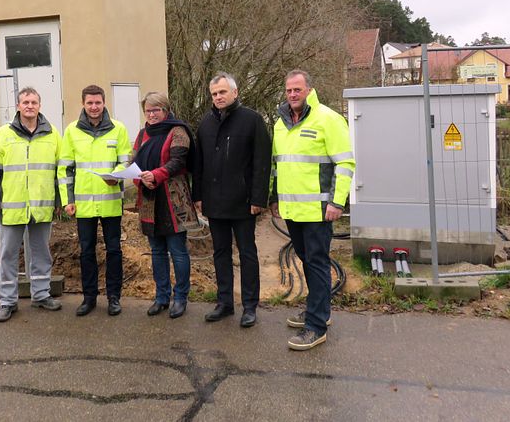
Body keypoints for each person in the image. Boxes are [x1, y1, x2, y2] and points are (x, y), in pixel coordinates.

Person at [269, 69, 355, 350]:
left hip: (319, 210)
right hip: (293, 210)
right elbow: (278, 165)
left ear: (309, 90)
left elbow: (344, 164)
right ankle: (318, 311)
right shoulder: (281, 123)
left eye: (298, 89)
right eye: (288, 90)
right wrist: (275, 199)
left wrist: (336, 202)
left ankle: (316, 326)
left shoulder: (328, 119)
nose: (293, 94)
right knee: (307, 261)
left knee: (317, 263)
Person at [193, 72, 272, 328]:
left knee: (247, 253)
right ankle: (224, 303)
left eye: (223, 92)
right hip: (214, 202)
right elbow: (199, 164)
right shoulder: (205, 123)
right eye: (214, 93)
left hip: (244, 202)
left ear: (235, 93)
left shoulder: (252, 121)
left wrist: (259, 197)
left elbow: (262, 162)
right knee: (220, 253)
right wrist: (198, 196)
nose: (218, 97)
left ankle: (250, 306)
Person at [0, 87, 63, 322]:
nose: (30, 106)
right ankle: (7, 302)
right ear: (18, 106)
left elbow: (60, 171)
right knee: (8, 255)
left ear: (40, 105)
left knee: (41, 253)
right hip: (11, 207)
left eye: (34, 102)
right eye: (25, 102)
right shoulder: (3, 134)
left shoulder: (52, 134)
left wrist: (60, 201)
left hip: (41, 206)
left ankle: (41, 294)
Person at [58, 85, 132, 316]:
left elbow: (126, 162)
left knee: (114, 250)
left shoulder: (118, 129)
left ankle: (114, 298)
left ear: (104, 103)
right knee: (86, 252)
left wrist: (117, 175)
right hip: (83, 205)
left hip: (111, 202)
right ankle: (89, 298)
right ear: (83, 103)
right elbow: (65, 169)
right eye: (89, 103)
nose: (94, 107)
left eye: (98, 103)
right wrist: (66, 200)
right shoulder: (71, 131)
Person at [133, 91, 198, 319]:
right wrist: (137, 177)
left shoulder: (178, 131)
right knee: (157, 251)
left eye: (156, 110)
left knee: (178, 252)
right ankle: (161, 297)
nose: (151, 114)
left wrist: (156, 175)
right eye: (148, 110)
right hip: (150, 200)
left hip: (174, 200)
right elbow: (134, 163)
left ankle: (180, 298)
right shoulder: (142, 135)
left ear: (165, 110)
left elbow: (177, 161)